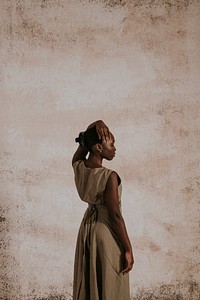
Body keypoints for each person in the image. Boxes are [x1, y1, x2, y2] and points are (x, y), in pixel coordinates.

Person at [72, 120, 134, 300]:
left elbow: (83, 146)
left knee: (90, 281)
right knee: (112, 284)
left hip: (86, 229)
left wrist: (95, 124)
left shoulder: (79, 166)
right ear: (98, 147)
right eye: (112, 143)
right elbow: (115, 215)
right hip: (106, 232)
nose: (115, 148)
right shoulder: (109, 176)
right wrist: (128, 248)